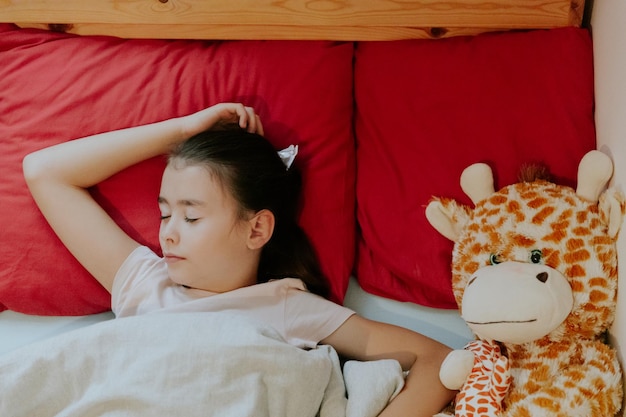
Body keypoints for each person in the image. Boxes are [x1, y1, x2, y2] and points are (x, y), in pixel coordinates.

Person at [23, 102, 455, 416]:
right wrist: (182, 130)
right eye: (164, 213)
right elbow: (45, 172)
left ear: (256, 230)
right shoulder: (143, 282)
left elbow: (437, 360)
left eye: (191, 216)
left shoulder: (286, 307)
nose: (167, 230)